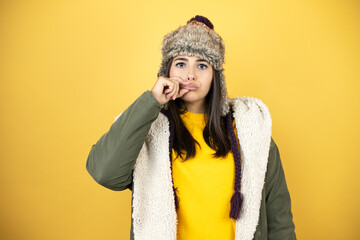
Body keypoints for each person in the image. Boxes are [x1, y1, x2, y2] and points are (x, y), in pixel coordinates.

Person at [86, 15, 296, 240]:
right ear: (167, 71)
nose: (190, 75)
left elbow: (279, 221)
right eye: (181, 63)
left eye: (202, 65)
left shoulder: (250, 129)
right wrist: (152, 101)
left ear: (216, 75)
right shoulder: (148, 130)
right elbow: (104, 173)